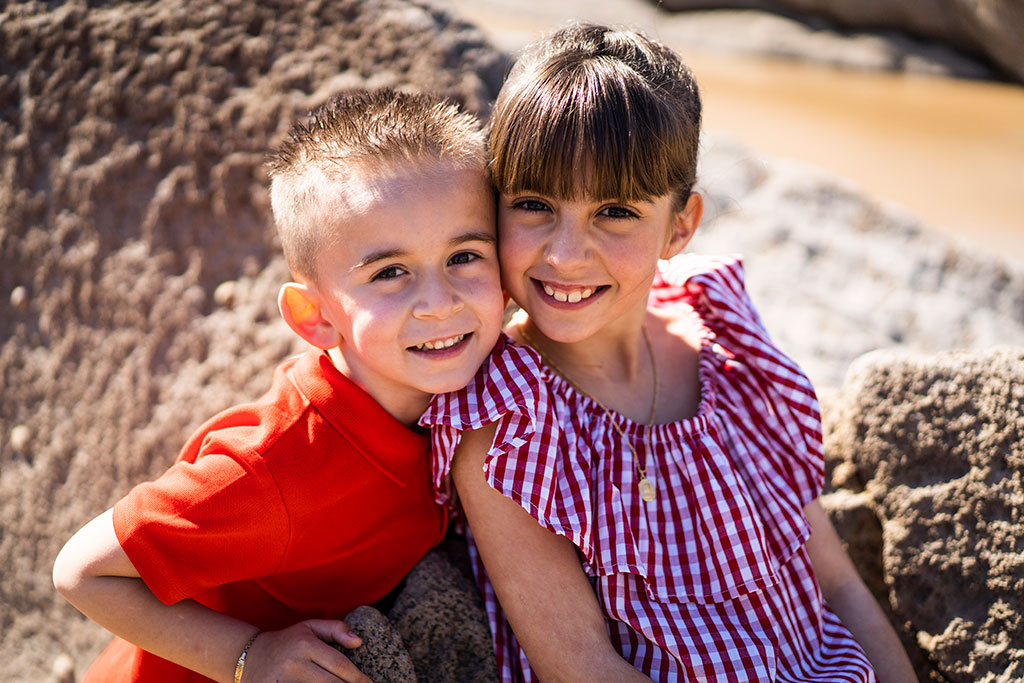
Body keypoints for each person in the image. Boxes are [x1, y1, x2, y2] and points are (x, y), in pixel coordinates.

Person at [419, 23, 917, 683]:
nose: (566, 254)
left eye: (616, 212)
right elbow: (582, 667)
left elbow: (840, 585)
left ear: (680, 226)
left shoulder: (727, 347)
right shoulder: (507, 426)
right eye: (534, 204)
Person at [52, 89, 506, 683]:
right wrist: (246, 655)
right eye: (389, 272)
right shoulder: (275, 467)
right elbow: (82, 572)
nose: (440, 302)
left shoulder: (464, 384)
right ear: (315, 316)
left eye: (465, 256)